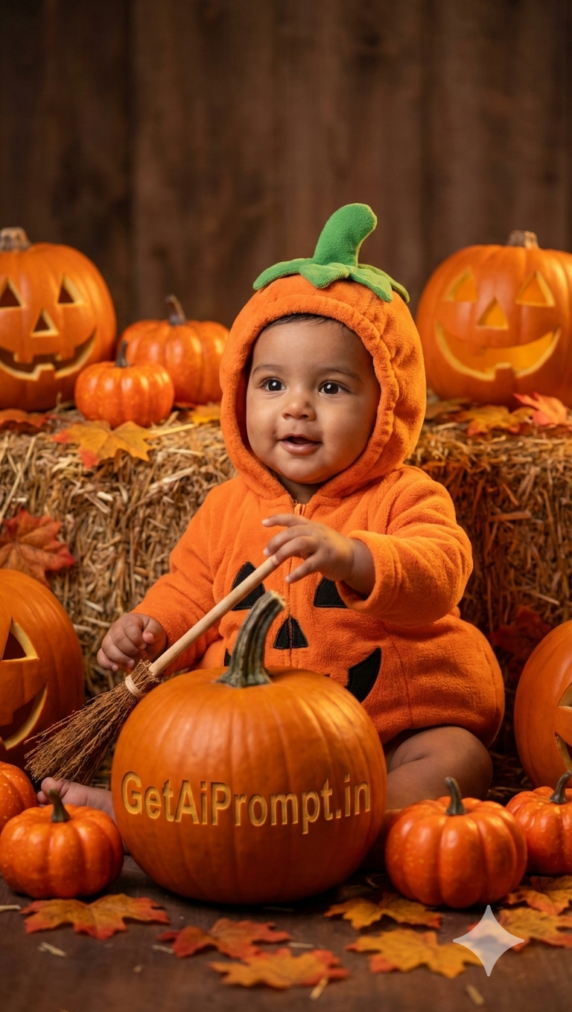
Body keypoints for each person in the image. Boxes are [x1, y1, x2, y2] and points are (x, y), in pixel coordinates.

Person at [39, 204, 504, 833]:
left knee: (458, 758)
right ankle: (148, 822)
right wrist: (150, 628)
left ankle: (355, 826)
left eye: (332, 388)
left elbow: (441, 571)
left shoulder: (406, 495)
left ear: (387, 403)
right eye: (273, 385)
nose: (298, 409)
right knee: (191, 751)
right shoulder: (227, 508)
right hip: (256, 737)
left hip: (390, 726)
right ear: (239, 393)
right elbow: (188, 591)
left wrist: (353, 557)